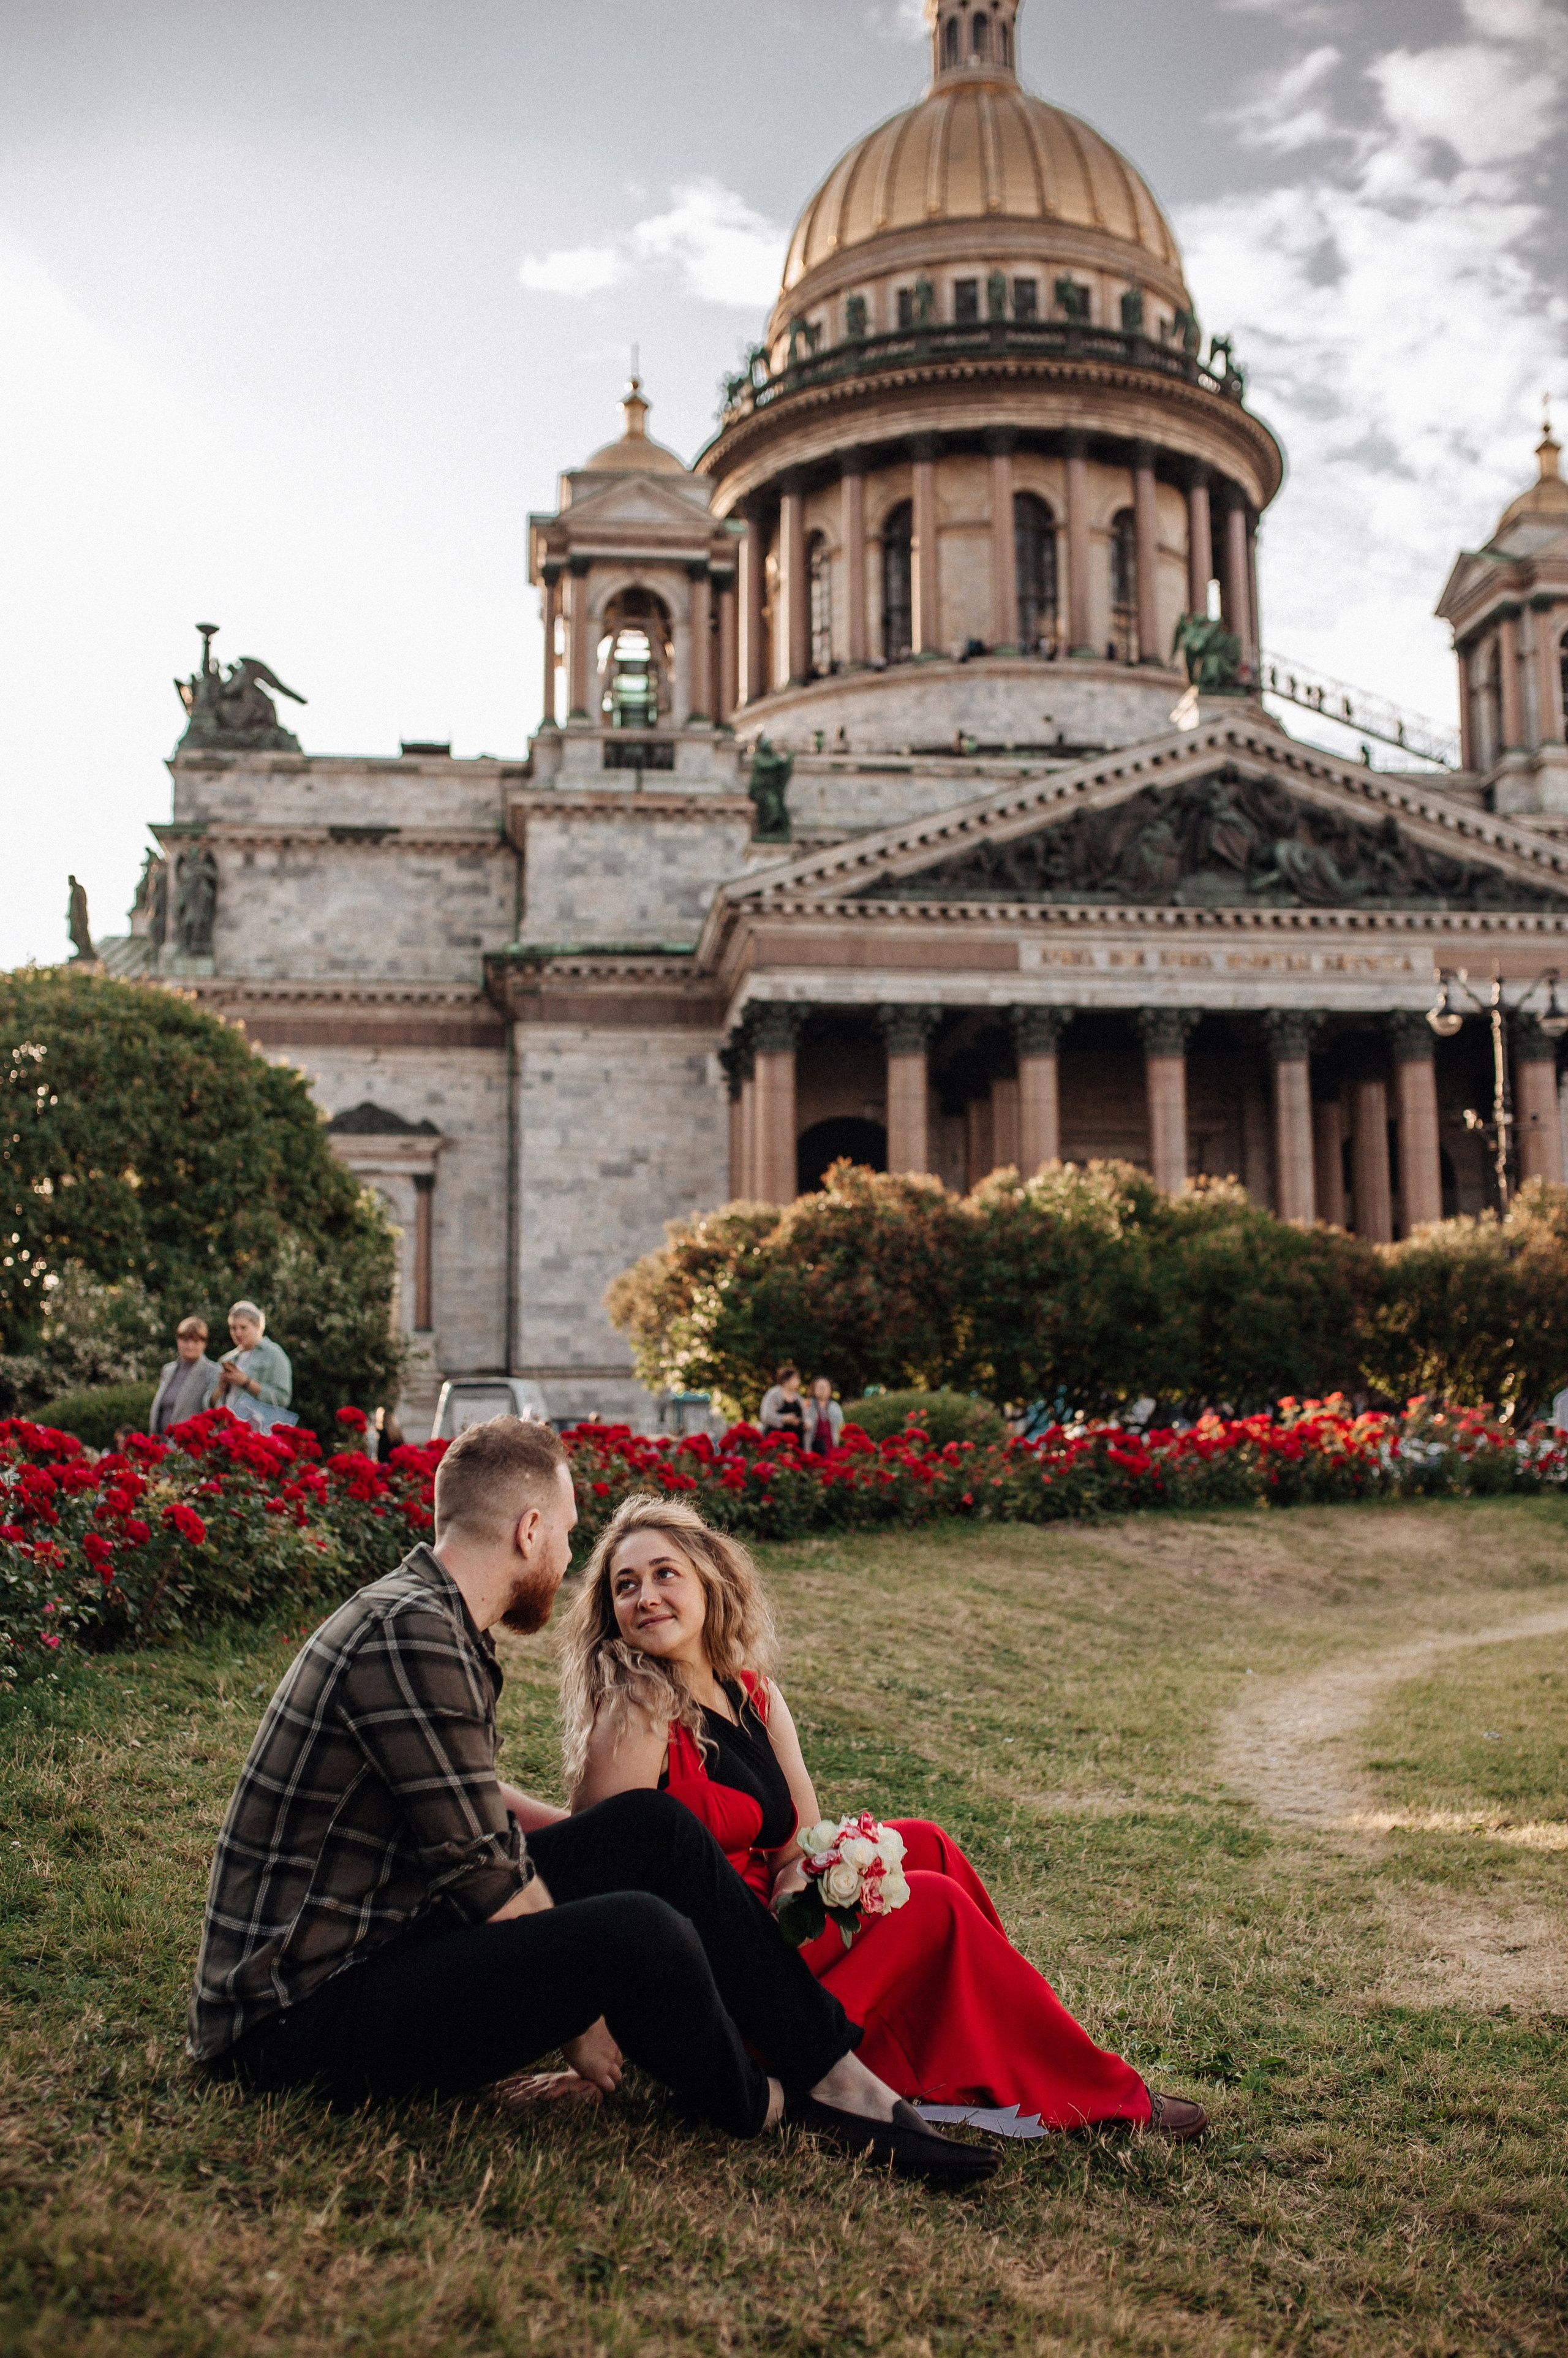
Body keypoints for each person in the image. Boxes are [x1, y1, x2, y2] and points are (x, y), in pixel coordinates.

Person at [188, 1416, 994, 2183]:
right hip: (295, 2018)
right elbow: (488, 1875)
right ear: (529, 1530)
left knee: (652, 1828)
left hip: (383, 1938)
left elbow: (470, 1806)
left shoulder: (424, 1615)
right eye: (571, 1532)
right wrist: (580, 2019)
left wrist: (597, 1866)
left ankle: (835, 2073)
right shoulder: (413, 1638)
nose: (571, 1554)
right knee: (635, 1930)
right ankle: (764, 2104)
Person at [561, 1493, 1207, 2143]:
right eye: (626, 1585)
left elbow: (800, 1840)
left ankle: (1007, 2047)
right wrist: (589, 2034)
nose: (645, 1596)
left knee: (926, 1845)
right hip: (720, 1964)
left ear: (709, 1580)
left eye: (664, 1573)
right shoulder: (635, 1703)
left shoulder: (750, 1690)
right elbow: (609, 1874)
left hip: (768, 1917)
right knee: (929, 1903)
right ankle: (1100, 2096)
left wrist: (810, 1880)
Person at [213, 1300, 296, 1433]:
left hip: (257, 1434)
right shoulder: (227, 1359)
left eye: (243, 1327)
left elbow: (282, 1398)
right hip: (226, 1432)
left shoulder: (274, 1354)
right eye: (233, 1328)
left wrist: (246, 1382)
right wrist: (221, 1388)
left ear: (257, 1326)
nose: (238, 1333)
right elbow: (210, 1404)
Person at [148, 1317, 222, 1435]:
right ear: (178, 1340)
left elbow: (213, 1408)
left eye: (195, 1341)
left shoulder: (213, 1371)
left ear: (204, 1344)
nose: (190, 1346)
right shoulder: (168, 1370)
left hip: (190, 1445)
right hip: (162, 1443)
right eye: (185, 1340)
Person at [758, 1365, 805, 1442]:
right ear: (786, 1380)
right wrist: (784, 1419)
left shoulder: (798, 1397)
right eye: (795, 1378)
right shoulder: (774, 1393)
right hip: (775, 1438)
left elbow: (804, 1416)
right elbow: (765, 1415)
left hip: (795, 1440)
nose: (798, 1381)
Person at [803, 1374, 842, 1456]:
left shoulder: (835, 1406)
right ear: (814, 1389)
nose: (823, 1390)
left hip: (831, 1447)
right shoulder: (807, 1405)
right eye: (820, 1387)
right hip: (813, 1448)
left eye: (826, 1387)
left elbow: (841, 1426)